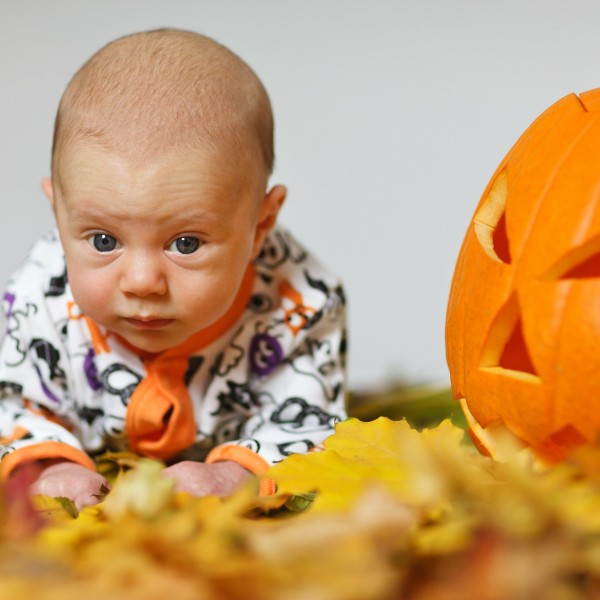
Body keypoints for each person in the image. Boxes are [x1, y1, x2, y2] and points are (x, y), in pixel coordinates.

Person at [0, 28, 347, 509]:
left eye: (185, 243)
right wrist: (49, 462)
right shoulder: (40, 296)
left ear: (260, 226)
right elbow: (13, 400)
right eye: (104, 241)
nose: (142, 282)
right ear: (58, 214)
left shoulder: (300, 303)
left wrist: (235, 473)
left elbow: (311, 419)